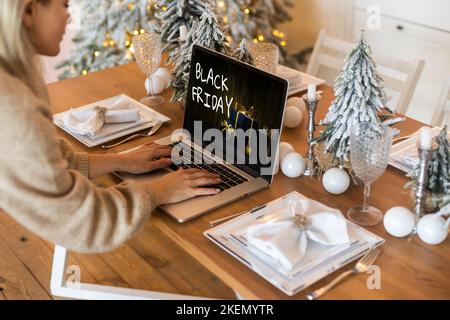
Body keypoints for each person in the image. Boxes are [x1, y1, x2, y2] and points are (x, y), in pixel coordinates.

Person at [0, 0, 221, 253]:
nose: (69, 18)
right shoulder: (14, 107)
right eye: (64, 5)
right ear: (29, 11)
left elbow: (44, 164)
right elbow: (82, 221)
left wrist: (119, 161)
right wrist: (161, 190)